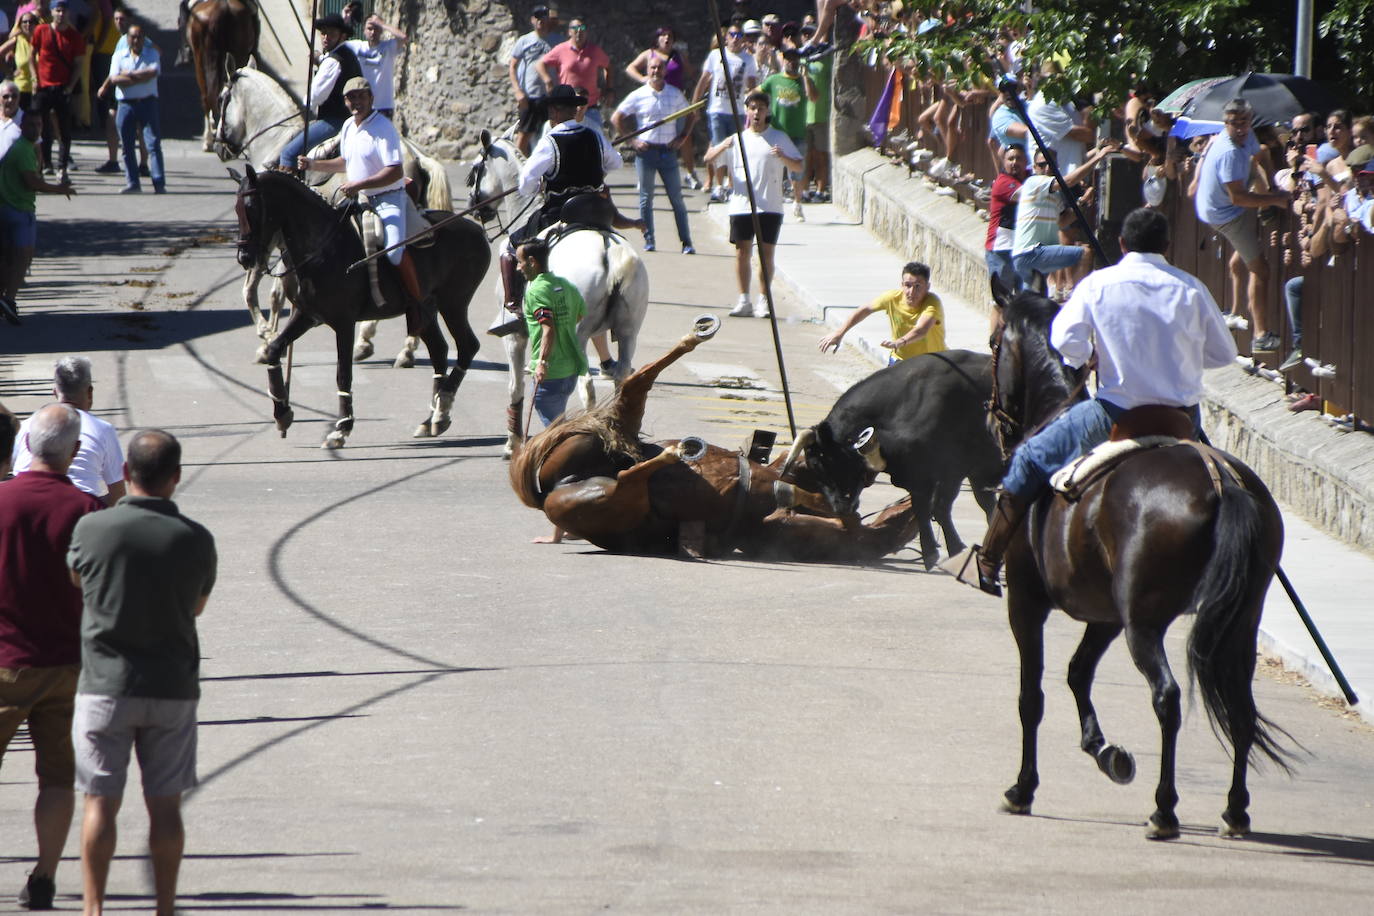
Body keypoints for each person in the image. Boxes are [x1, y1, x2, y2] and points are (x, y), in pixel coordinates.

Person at [962, 208, 1237, 596]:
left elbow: (1064, 341)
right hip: (1181, 419)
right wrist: (1183, 358)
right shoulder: (1191, 287)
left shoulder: (1097, 285)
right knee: (1227, 483)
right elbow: (1224, 354)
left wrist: (1087, 355)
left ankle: (988, 561)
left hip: (1114, 414)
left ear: (1122, 244)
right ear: (1167, 247)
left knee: (1026, 458)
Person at [67, 429, 216, 916]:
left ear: (126, 474)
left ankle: (93, 908)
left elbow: (77, 580)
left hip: (104, 686)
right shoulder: (195, 539)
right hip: (171, 687)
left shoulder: (92, 529)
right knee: (166, 806)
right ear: (175, 478)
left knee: (99, 803)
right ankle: (166, 907)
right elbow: (196, 607)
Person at [0, 405, 104, 912]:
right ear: (76, 453)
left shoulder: (1, 501)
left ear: (25, 447)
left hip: (2, 661)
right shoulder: (86, 510)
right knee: (58, 778)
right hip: (66, 665)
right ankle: (44, 875)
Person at [298, 76, 428, 312]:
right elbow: (345, 162)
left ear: (371, 98)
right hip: (360, 199)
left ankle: (418, 304)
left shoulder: (383, 128)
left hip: (389, 199)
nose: (356, 101)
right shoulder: (348, 126)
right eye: (351, 97)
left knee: (394, 251)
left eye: (361, 96)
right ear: (345, 101)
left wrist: (359, 184)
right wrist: (313, 164)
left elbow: (394, 171)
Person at [497, 82, 624, 316]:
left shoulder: (550, 141)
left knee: (508, 246)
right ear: (574, 110)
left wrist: (539, 186)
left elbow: (526, 183)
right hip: (597, 211)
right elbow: (616, 162)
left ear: (554, 111)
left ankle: (513, 304)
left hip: (561, 213)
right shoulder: (594, 136)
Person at [1194, 98, 1290, 353]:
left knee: (1261, 162)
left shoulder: (1246, 137)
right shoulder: (1229, 152)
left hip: (1223, 203)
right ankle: (1261, 336)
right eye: (1234, 123)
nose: (1239, 128)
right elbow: (1239, 198)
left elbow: (1260, 154)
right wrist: (1275, 200)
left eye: (1244, 122)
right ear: (1225, 123)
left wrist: (1271, 183)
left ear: (1250, 121)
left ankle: (1241, 256)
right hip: (1225, 214)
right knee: (1261, 269)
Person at [705, 90, 802, 318]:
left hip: (770, 206)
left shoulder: (778, 137)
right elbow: (708, 159)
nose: (756, 112)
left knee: (766, 254)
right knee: (742, 252)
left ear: (767, 111)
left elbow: (798, 166)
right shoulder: (738, 139)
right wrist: (724, 146)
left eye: (760, 108)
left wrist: (783, 158)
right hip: (741, 205)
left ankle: (764, 300)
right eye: (753, 108)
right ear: (747, 111)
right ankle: (743, 299)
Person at [11, 357, 126, 503]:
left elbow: (13, 469)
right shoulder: (103, 430)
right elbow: (118, 495)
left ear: (55, 392)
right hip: (80, 515)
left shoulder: (28, 426)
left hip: (26, 505)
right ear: (90, 392)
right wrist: (92, 506)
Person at [612, 57, 695, 254]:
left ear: (665, 71)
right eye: (652, 67)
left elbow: (692, 114)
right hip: (646, 152)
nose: (656, 70)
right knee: (645, 198)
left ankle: (687, 242)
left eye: (659, 67)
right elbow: (616, 118)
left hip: (668, 152)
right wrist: (631, 141)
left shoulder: (674, 94)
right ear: (647, 71)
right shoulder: (638, 95)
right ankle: (649, 240)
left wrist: (683, 136)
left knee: (677, 199)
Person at [0, 111, 74, 323]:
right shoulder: (23, 149)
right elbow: (31, 181)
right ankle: (10, 299)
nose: (35, 128)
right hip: (19, 210)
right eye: (31, 125)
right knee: (23, 257)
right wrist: (59, 189)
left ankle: (4, 298)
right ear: (21, 127)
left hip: (10, 208)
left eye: (39, 125)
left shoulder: (24, 148)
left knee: (10, 258)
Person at [276, 14, 360, 170]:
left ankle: (286, 193)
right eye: (323, 33)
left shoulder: (333, 61)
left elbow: (315, 97)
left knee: (288, 153)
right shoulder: (346, 55)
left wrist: (302, 105)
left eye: (332, 33)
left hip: (334, 120)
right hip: (349, 117)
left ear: (342, 36)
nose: (326, 37)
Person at [818, 261, 945, 363]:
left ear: (927, 287)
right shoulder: (892, 298)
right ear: (902, 285)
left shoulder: (932, 302)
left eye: (918, 286)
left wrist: (900, 342)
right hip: (900, 361)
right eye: (908, 285)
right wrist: (840, 333)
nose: (911, 292)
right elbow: (865, 309)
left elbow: (921, 329)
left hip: (932, 362)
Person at [624, 26, 699, 189]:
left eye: (670, 36)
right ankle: (644, 176)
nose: (666, 39)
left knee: (685, 138)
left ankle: (690, 173)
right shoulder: (649, 54)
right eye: (663, 36)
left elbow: (691, 72)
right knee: (648, 135)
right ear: (657, 39)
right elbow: (630, 68)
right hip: (654, 100)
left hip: (675, 101)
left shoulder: (678, 55)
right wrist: (643, 79)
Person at [693, 24, 757, 203]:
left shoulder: (748, 59)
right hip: (718, 110)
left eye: (739, 34)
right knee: (719, 148)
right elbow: (704, 80)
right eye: (732, 34)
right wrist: (695, 105)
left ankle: (731, 185)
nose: (735, 38)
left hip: (737, 112)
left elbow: (751, 86)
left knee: (735, 149)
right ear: (726, 37)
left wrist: (752, 108)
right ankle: (718, 186)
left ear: (743, 38)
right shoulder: (716, 55)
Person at [30, 0, 85, 181]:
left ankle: (62, 168)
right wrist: (34, 78)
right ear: (52, 12)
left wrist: (70, 86)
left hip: (62, 87)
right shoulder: (41, 30)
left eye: (64, 11)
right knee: (41, 128)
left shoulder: (74, 36)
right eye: (58, 10)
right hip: (43, 86)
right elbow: (32, 54)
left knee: (64, 130)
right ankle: (45, 165)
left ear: (69, 13)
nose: (61, 14)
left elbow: (79, 64)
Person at [104, 20, 161, 193]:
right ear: (127, 39)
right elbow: (114, 79)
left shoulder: (152, 53)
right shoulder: (119, 56)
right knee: (127, 146)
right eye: (133, 37)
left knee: (153, 144)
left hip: (147, 102)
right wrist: (139, 77)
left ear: (144, 38)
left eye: (139, 37)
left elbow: (153, 72)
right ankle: (133, 183)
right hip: (126, 104)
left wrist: (127, 75)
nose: (136, 40)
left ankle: (159, 183)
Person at [760, 47, 816, 219]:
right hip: (777, 132)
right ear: (783, 60)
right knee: (774, 168)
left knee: (797, 169)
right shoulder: (774, 80)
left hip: (797, 132)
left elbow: (813, 97)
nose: (792, 62)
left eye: (794, 59)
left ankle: (797, 203)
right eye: (788, 59)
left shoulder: (804, 80)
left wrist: (806, 77)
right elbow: (759, 92)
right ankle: (772, 202)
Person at [535, 16, 611, 132]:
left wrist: (609, 87)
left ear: (587, 31)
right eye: (575, 28)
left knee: (598, 141)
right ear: (569, 31)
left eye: (582, 27)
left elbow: (609, 66)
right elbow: (540, 64)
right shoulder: (561, 49)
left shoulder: (595, 51)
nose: (579, 31)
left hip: (589, 107)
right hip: (567, 108)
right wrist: (547, 81)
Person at [508, 5, 560, 157]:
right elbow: (512, 67)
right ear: (532, 20)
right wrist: (518, 91)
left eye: (544, 18)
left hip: (551, 97)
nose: (540, 22)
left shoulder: (557, 40)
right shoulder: (524, 41)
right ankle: (522, 170)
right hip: (530, 96)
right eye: (537, 18)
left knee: (552, 134)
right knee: (524, 135)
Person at [344, 14, 406, 118]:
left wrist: (383, 24)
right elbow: (339, 43)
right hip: (361, 104)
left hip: (383, 105)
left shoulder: (388, 47)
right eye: (369, 28)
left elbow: (403, 37)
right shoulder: (357, 46)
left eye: (377, 28)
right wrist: (345, 19)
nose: (373, 32)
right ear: (364, 30)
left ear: (381, 30)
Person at [798, 20, 831, 202]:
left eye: (811, 34)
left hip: (820, 114)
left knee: (820, 155)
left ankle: (820, 190)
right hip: (803, 116)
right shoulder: (799, 58)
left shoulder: (824, 58)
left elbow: (815, 94)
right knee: (805, 156)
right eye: (804, 35)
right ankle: (803, 191)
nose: (807, 38)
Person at [985, 143, 1026, 291]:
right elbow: (1029, 195)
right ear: (1003, 162)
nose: (1015, 162)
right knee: (1001, 303)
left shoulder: (1028, 178)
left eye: (1019, 158)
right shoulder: (1002, 183)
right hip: (1001, 250)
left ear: (1026, 161)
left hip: (1020, 249)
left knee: (1022, 302)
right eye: (1010, 159)